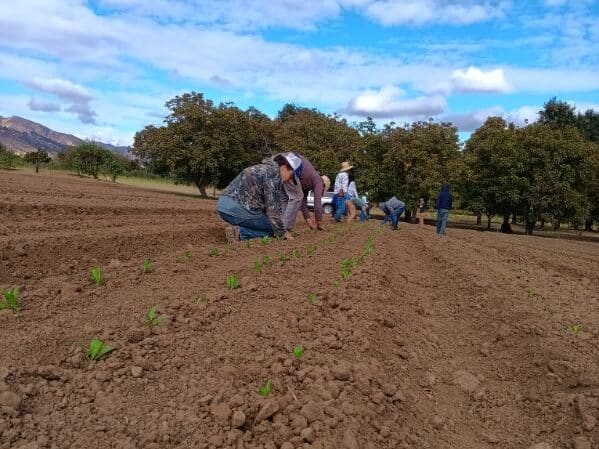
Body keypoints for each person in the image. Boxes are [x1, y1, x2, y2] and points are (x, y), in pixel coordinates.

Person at [216, 157, 294, 242]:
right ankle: (240, 233)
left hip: (222, 206)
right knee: (274, 229)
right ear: (284, 167)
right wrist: (283, 232)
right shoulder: (274, 175)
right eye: (291, 176)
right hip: (237, 209)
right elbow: (273, 212)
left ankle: (241, 227)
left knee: (269, 224)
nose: (289, 180)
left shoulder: (261, 168)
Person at [279, 152, 328, 232]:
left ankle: (281, 227)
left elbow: (303, 204)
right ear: (324, 185)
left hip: (285, 163)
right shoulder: (319, 181)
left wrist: (310, 223)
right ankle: (283, 230)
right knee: (294, 199)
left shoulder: (307, 181)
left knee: (285, 199)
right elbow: (317, 203)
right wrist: (319, 223)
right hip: (291, 166)